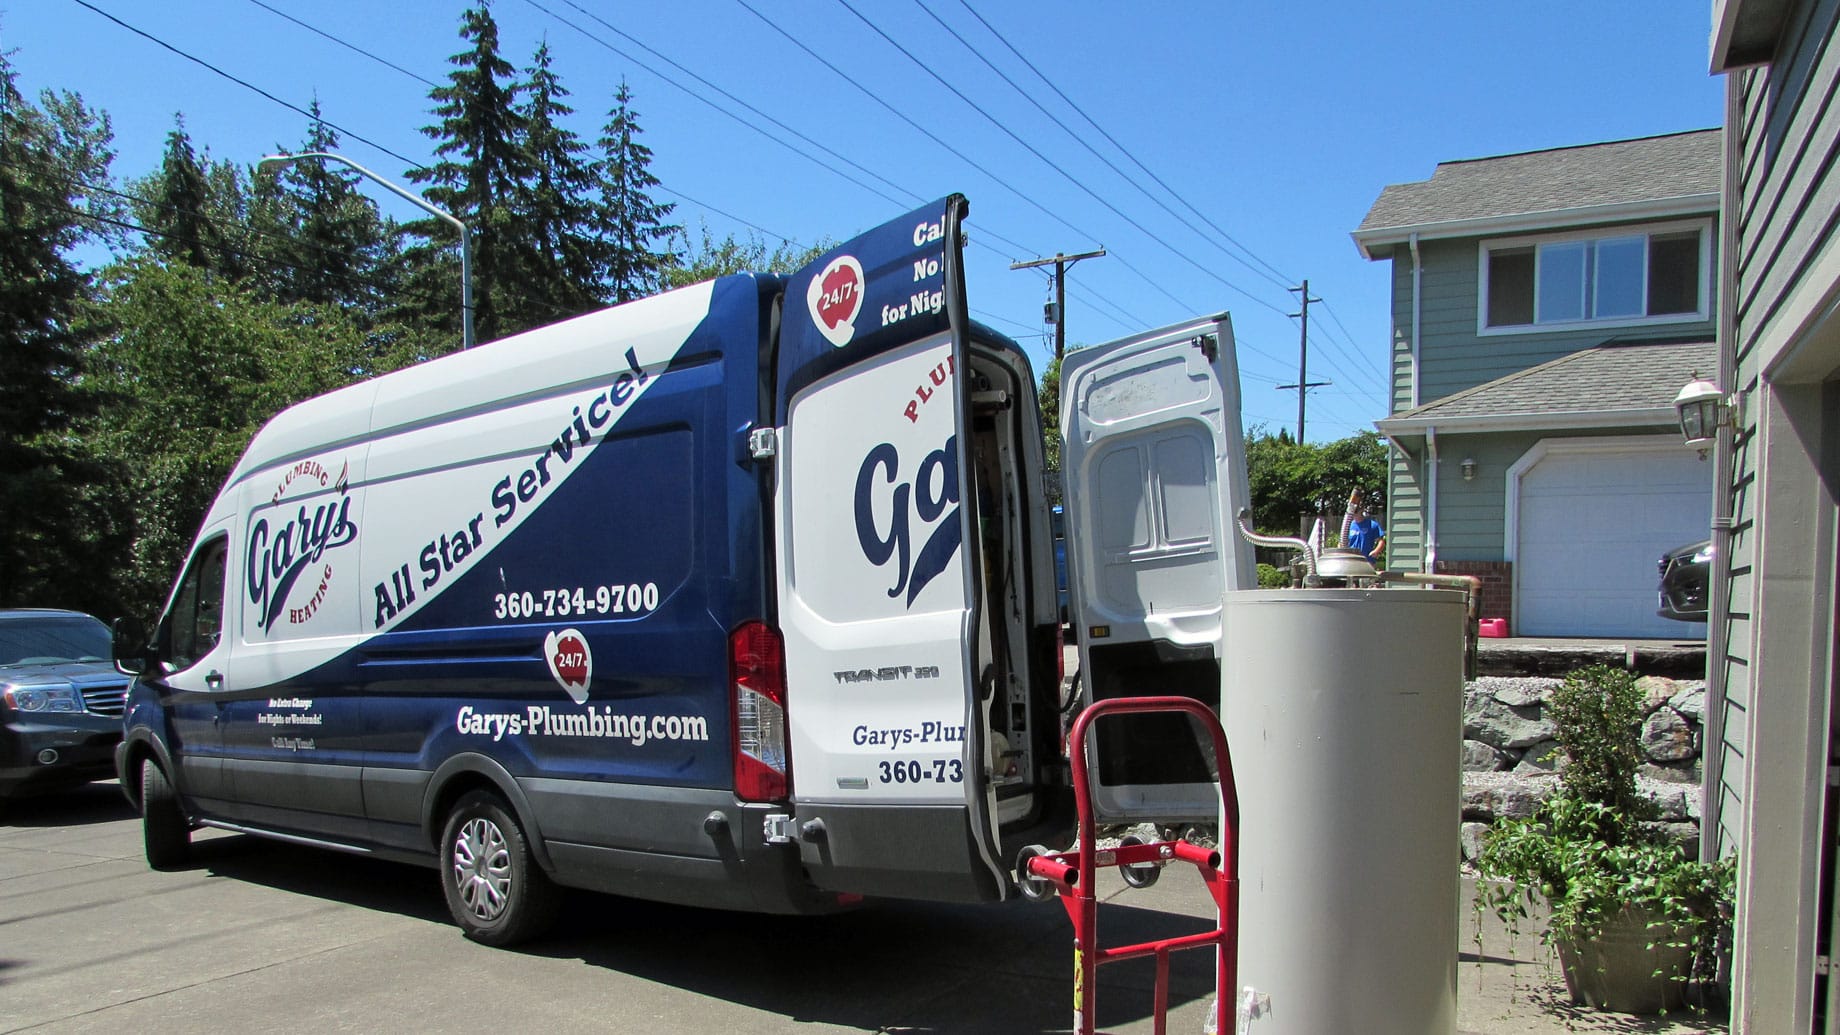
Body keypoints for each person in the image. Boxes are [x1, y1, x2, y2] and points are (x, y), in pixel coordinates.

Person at [1341, 488, 1385, 563]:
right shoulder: (1348, 526)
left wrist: (1376, 551)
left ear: (1362, 510)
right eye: (1354, 512)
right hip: (1352, 561)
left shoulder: (1372, 525)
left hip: (1367, 561)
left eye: (1357, 511)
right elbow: (1343, 541)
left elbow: (1381, 541)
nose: (1355, 514)